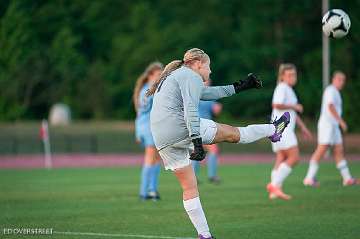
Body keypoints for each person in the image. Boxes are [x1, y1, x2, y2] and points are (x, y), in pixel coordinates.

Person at [148, 48, 290, 239]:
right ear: (198, 63)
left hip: (162, 139)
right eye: (209, 66)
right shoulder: (190, 75)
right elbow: (191, 108)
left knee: (189, 187)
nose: (211, 71)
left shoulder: (175, 75)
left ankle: (204, 235)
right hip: (179, 128)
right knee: (234, 134)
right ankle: (274, 130)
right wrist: (197, 142)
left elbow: (207, 93)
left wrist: (240, 87)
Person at [303, 71, 359, 186]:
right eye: (339, 79)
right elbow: (330, 106)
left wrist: (337, 122)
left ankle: (347, 179)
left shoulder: (336, 92)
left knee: (339, 150)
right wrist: (341, 121)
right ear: (334, 79)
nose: (341, 82)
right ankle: (308, 178)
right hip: (327, 125)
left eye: (343, 80)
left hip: (333, 125)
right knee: (322, 149)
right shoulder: (330, 90)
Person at [266, 63, 312, 200]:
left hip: (279, 127)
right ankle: (274, 185)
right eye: (289, 75)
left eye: (294, 74)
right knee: (294, 157)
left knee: (281, 158)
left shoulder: (288, 89)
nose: (293, 77)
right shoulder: (282, 87)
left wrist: (302, 127)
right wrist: (295, 106)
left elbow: (292, 112)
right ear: (282, 76)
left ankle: (274, 191)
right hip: (282, 127)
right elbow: (276, 104)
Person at [133, 62, 163, 201]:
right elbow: (147, 111)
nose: (160, 77)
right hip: (149, 128)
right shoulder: (150, 90)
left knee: (157, 159)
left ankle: (152, 189)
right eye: (158, 74)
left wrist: (138, 132)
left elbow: (139, 114)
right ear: (150, 75)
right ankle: (144, 192)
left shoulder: (146, 89)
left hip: (146, 127)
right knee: (150, 159)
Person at [192, 79, 223, 184]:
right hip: (200, 125)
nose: (208, 83)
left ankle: (195, 177)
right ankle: (212, 175)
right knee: (212, 149)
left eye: (209, 82)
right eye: (206, 81)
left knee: (198, 150)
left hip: (205, 125)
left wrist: (216, 108)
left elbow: (214, 110)